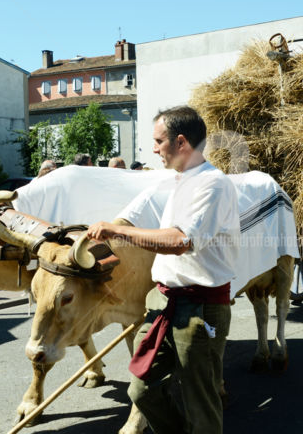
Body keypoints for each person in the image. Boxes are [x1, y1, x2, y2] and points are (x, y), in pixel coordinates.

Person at [86, 106, 240, 433]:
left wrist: (117, 231)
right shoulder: (179, 181)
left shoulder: (212, 184)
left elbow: (180, 240)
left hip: (199, 308)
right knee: (141, 391)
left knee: (201, 402)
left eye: (158, 141)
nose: (153, 149)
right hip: (163, 302)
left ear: (181, 142)